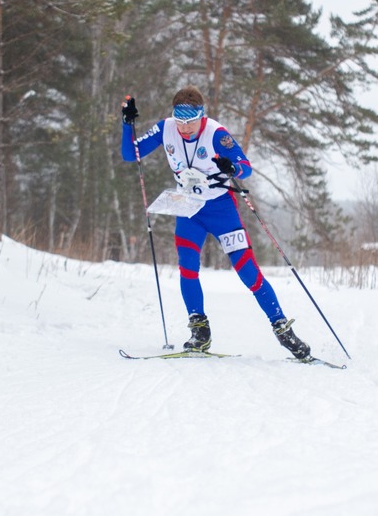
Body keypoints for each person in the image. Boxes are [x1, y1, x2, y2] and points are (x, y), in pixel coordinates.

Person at [120, 85, 312, 360]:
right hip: (188, 208)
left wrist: (231, 167)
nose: (185, 129)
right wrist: (127, 124)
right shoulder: (166, 128)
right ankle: (200, 332)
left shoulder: (215, 133)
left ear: (202, 116)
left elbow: (244, 166)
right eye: (180, 122)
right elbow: (131, 154)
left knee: (247, 270)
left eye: (191, 122)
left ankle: (282, 329)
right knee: (187, 268)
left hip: (221, 209)